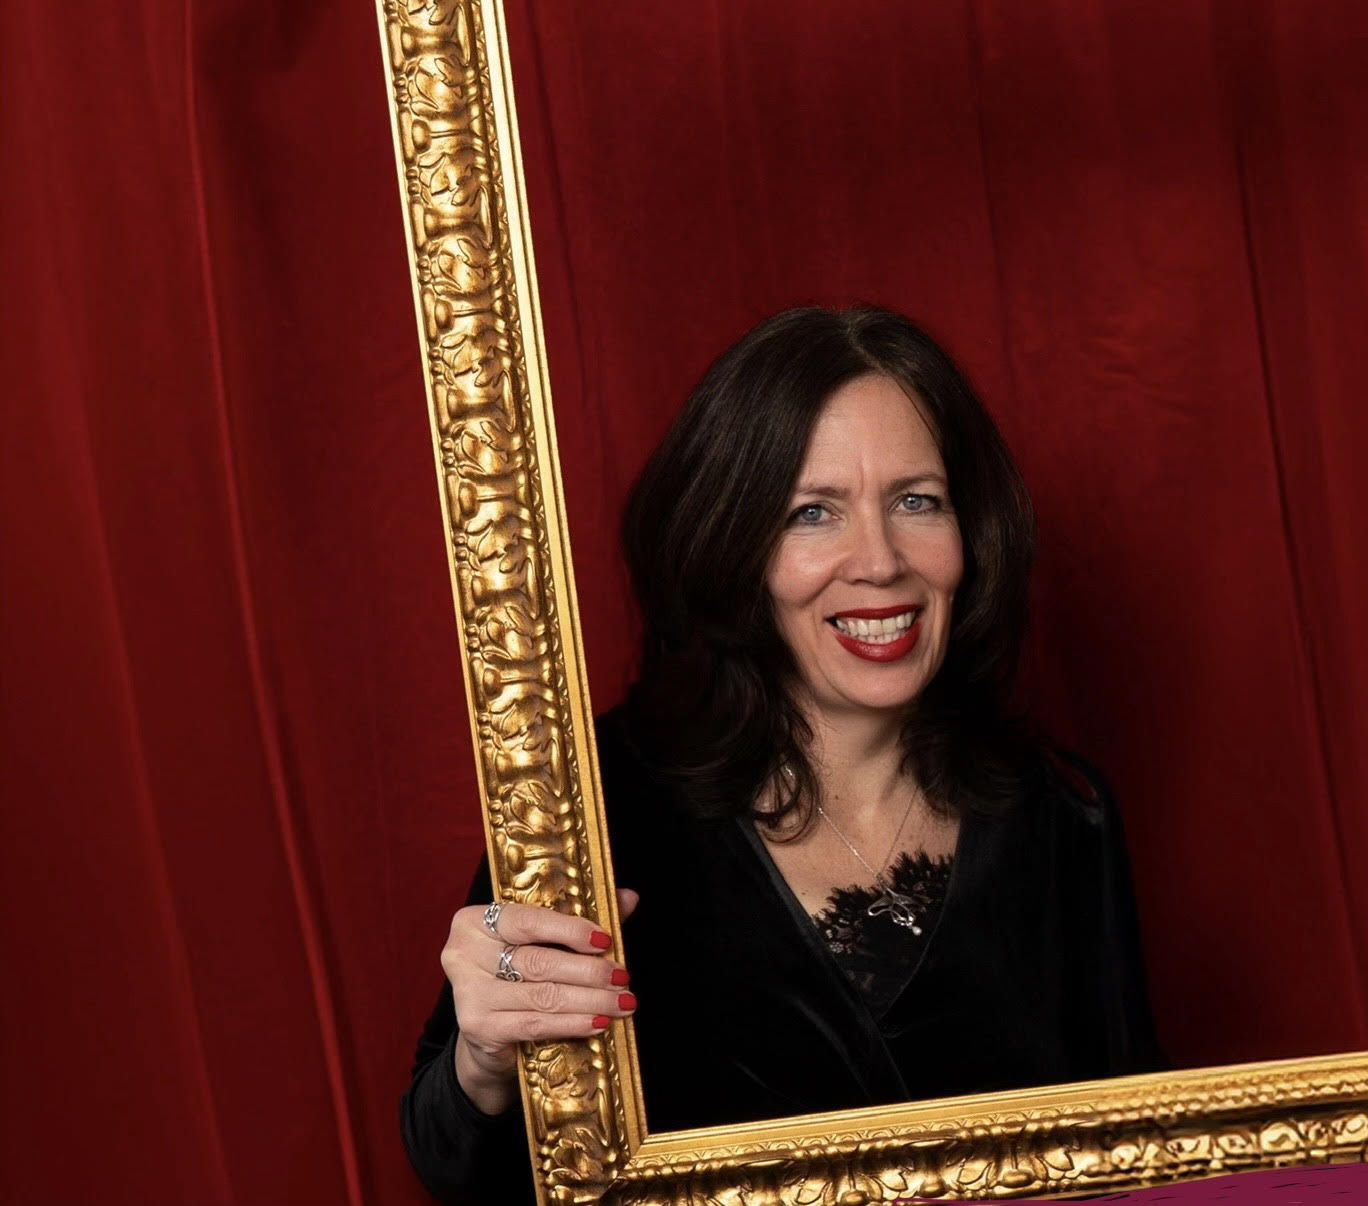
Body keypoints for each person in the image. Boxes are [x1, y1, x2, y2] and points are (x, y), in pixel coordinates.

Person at [401, 306, 1162, 1205]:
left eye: (916, 501)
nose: (879, 561)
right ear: (733, 546)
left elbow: (1135, 1157)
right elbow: (452, 1164)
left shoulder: (1058, 812)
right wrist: (482, 1060)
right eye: (811, 512)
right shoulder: (590, 803)